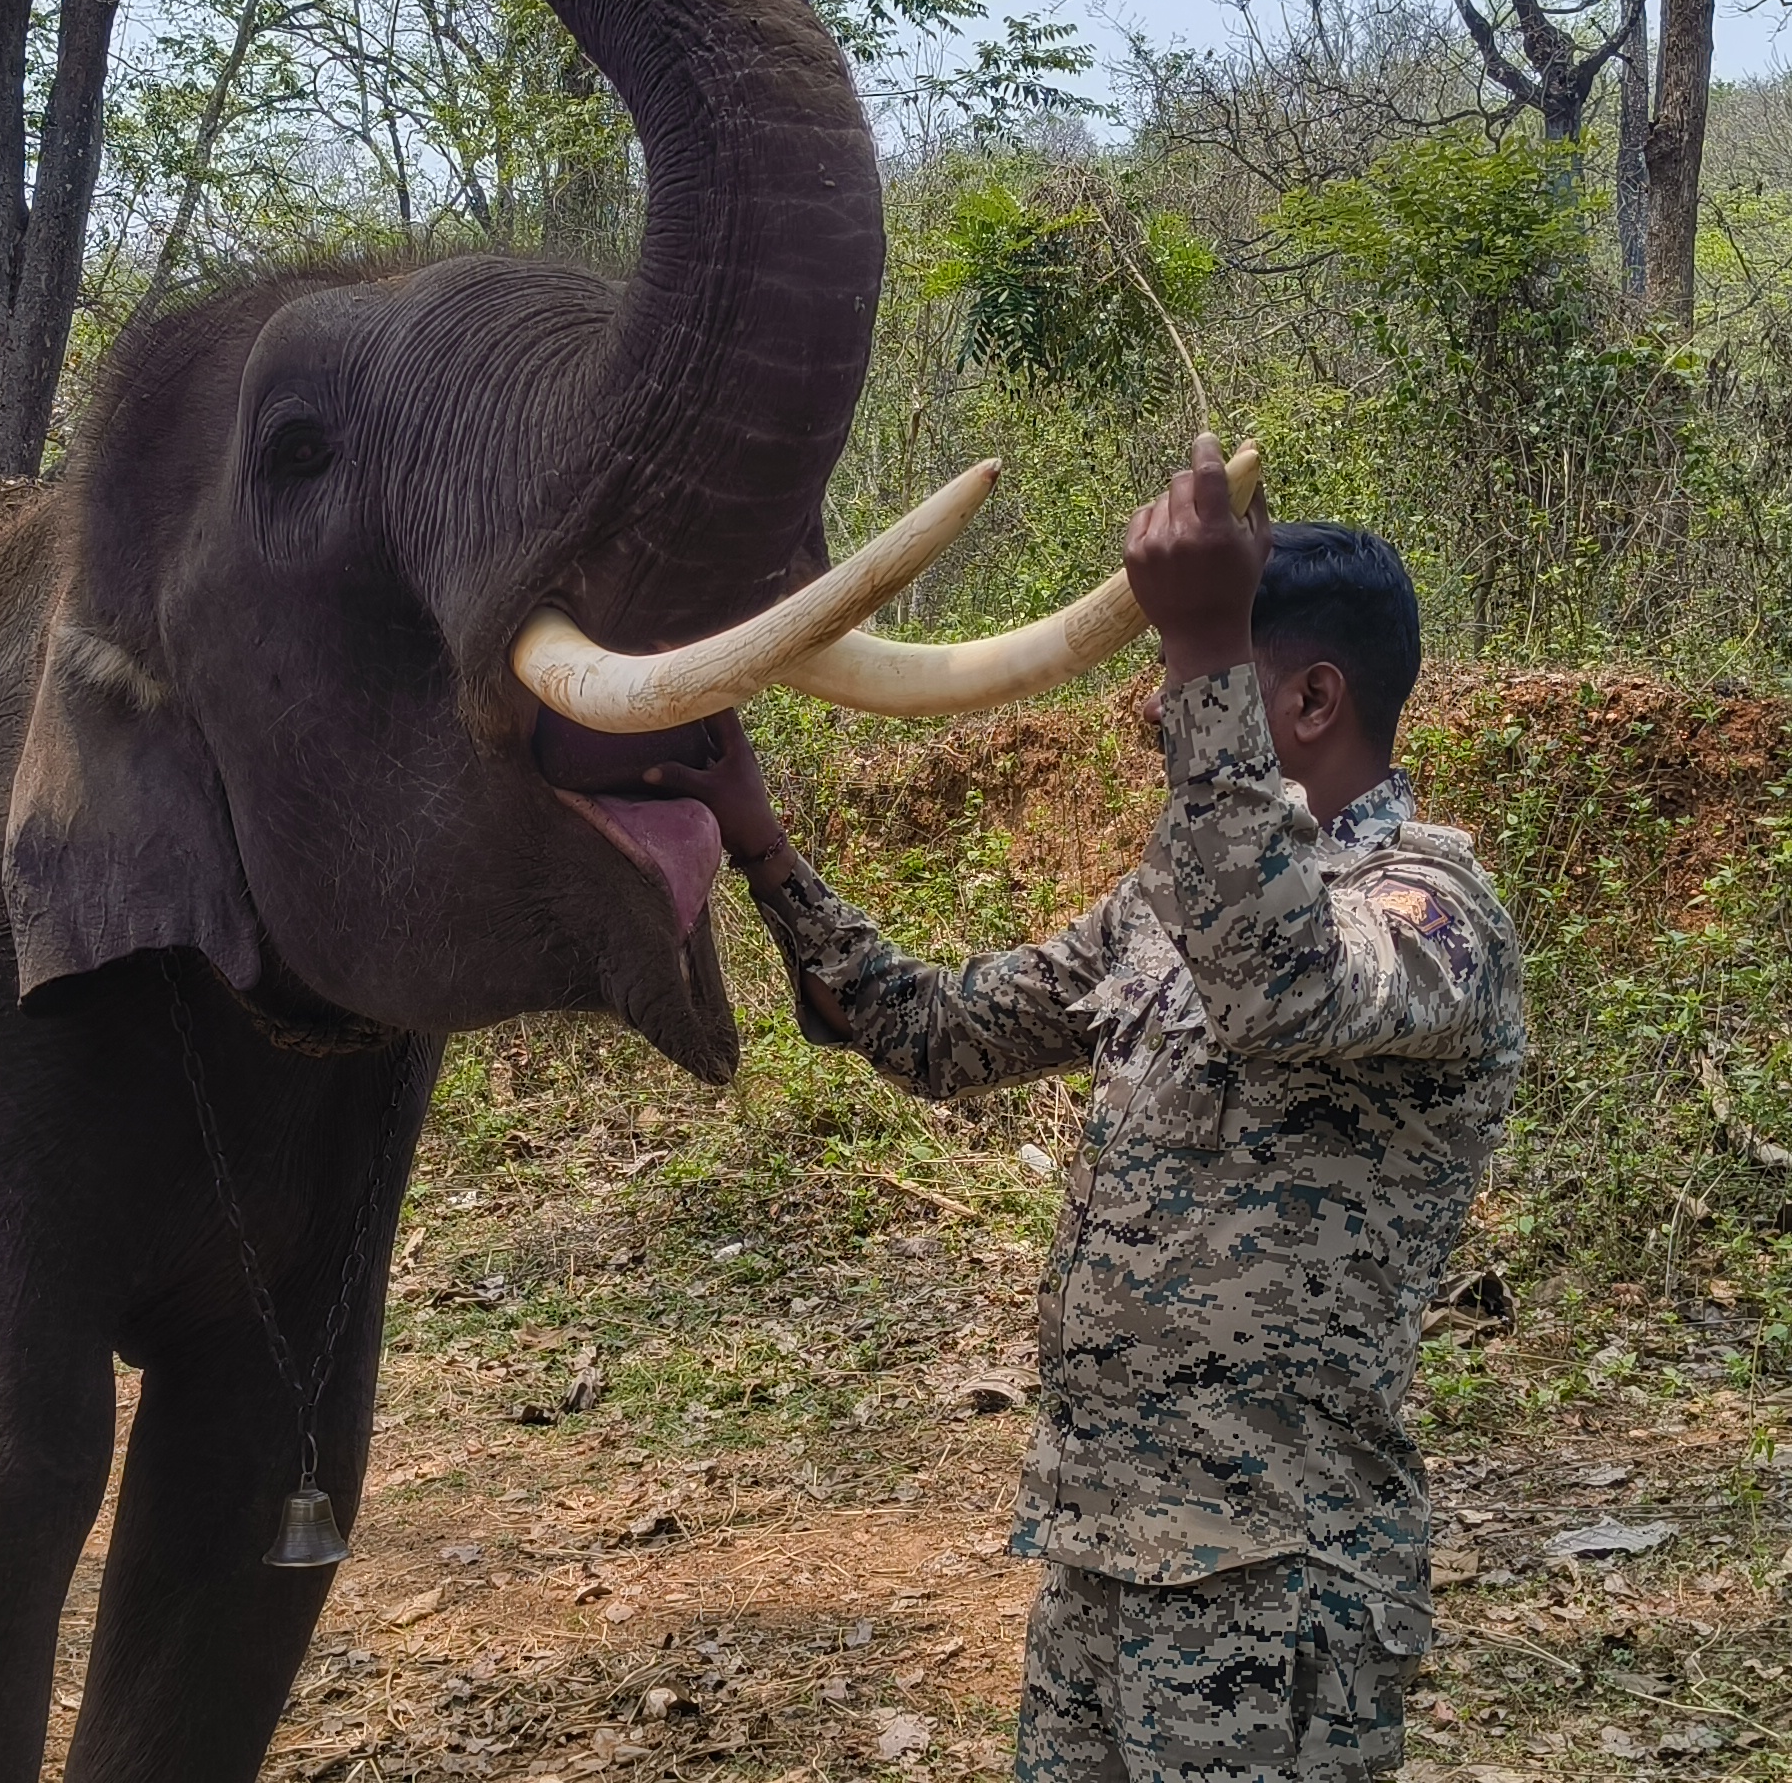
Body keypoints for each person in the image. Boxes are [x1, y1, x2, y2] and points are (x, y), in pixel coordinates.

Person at [642, 436, 1526, 1783]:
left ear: (1308, 702)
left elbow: (1279, 991)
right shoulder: (1174, 901)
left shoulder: (1436, 918)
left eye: (1200, 691)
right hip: (1099, 1559)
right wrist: (762, 847)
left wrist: (1203, 644)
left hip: (1279, 1583)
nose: (1159, 722)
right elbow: (937, 1033)